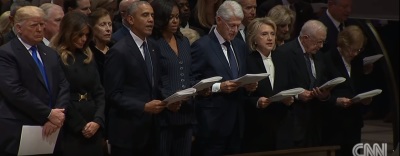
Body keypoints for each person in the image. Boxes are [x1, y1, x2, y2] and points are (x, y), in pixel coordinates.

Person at [190, 1, 257, 155]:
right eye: (231, 25)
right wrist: (218, 87)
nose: (234, 30)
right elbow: (191, 82)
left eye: (238, 26)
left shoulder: (240, 45)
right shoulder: (202, 46)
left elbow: (240, 77)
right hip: (212, 122)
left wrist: (248, 87)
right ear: (219, 20)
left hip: (237, 121)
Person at [0, 6, 68, 155]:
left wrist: (57, 114)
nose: (39, 29)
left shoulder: (49, 53)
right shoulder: (6, 53)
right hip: (20, 126)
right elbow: (14, 90)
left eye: (42, 24)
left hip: (53, 127)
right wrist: (48, 114)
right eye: (34, 25)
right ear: (19, 28)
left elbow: (63, 85)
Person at [104, 1, 166, 155]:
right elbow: (112, 95)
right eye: (145, 15)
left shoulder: (153, 47)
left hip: (151, 131)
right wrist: (143, 106)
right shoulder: (119, 51)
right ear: (130, 20)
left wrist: (168, 101)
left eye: (152, 15)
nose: (151, 19)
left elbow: (155, 85)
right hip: (127, 133)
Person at [50, 11, 105, 156]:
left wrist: (98, 120)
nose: (83, 39)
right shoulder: (55, 57)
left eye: (86, 35)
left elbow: (99, 91)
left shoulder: (88, 56)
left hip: (93, 123)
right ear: (68, 32)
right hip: (70, 127)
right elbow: (60, 95)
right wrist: (81, 125)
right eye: (80, 35)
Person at [275, 20, 331, 147]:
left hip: (315, 122)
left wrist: (324, 95)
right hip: (293, 121)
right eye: (319, 42)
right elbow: (279, 86)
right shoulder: (284, 53)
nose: (321, 46)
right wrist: (297, 95)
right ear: (305, 38)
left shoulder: (319, 56)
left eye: (323, 41)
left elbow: (322, 81)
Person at [150, 0, 196, 155]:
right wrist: (168, 100)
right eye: (170, 17)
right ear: (161, 19)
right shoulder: (152, 44)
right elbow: (154, 79)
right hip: (164, 114)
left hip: (186, 112)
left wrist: (199, 89)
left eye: (177, 16)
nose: (175, 20)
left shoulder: (184, 42)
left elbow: (189, 73)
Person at [242, 17, 294, 152]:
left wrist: (289, 99)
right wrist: (257, 102)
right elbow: (242, 95)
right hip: (258, 127)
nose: (270, 38)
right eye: (264, 34)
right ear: (254, 39)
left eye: (272, 34)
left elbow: (289, 86)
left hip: (282, 126)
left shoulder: (282, 58)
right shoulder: (248, 61)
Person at [322, 25, 373, 156]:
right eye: (352, 49)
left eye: (359, 50)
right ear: (343, 43)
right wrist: (336, 100)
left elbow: (359, 87)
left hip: (353, 123)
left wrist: (365, 99)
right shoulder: (327, 59)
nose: (355, 53)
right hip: (333, 123)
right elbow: (321, 92)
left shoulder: (357, 61)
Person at [88, 8, 113, 84]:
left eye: (110, 24)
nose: (108, 29)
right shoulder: (88, 52)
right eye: (102, 25)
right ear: (92, 28)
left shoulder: (116, 49)